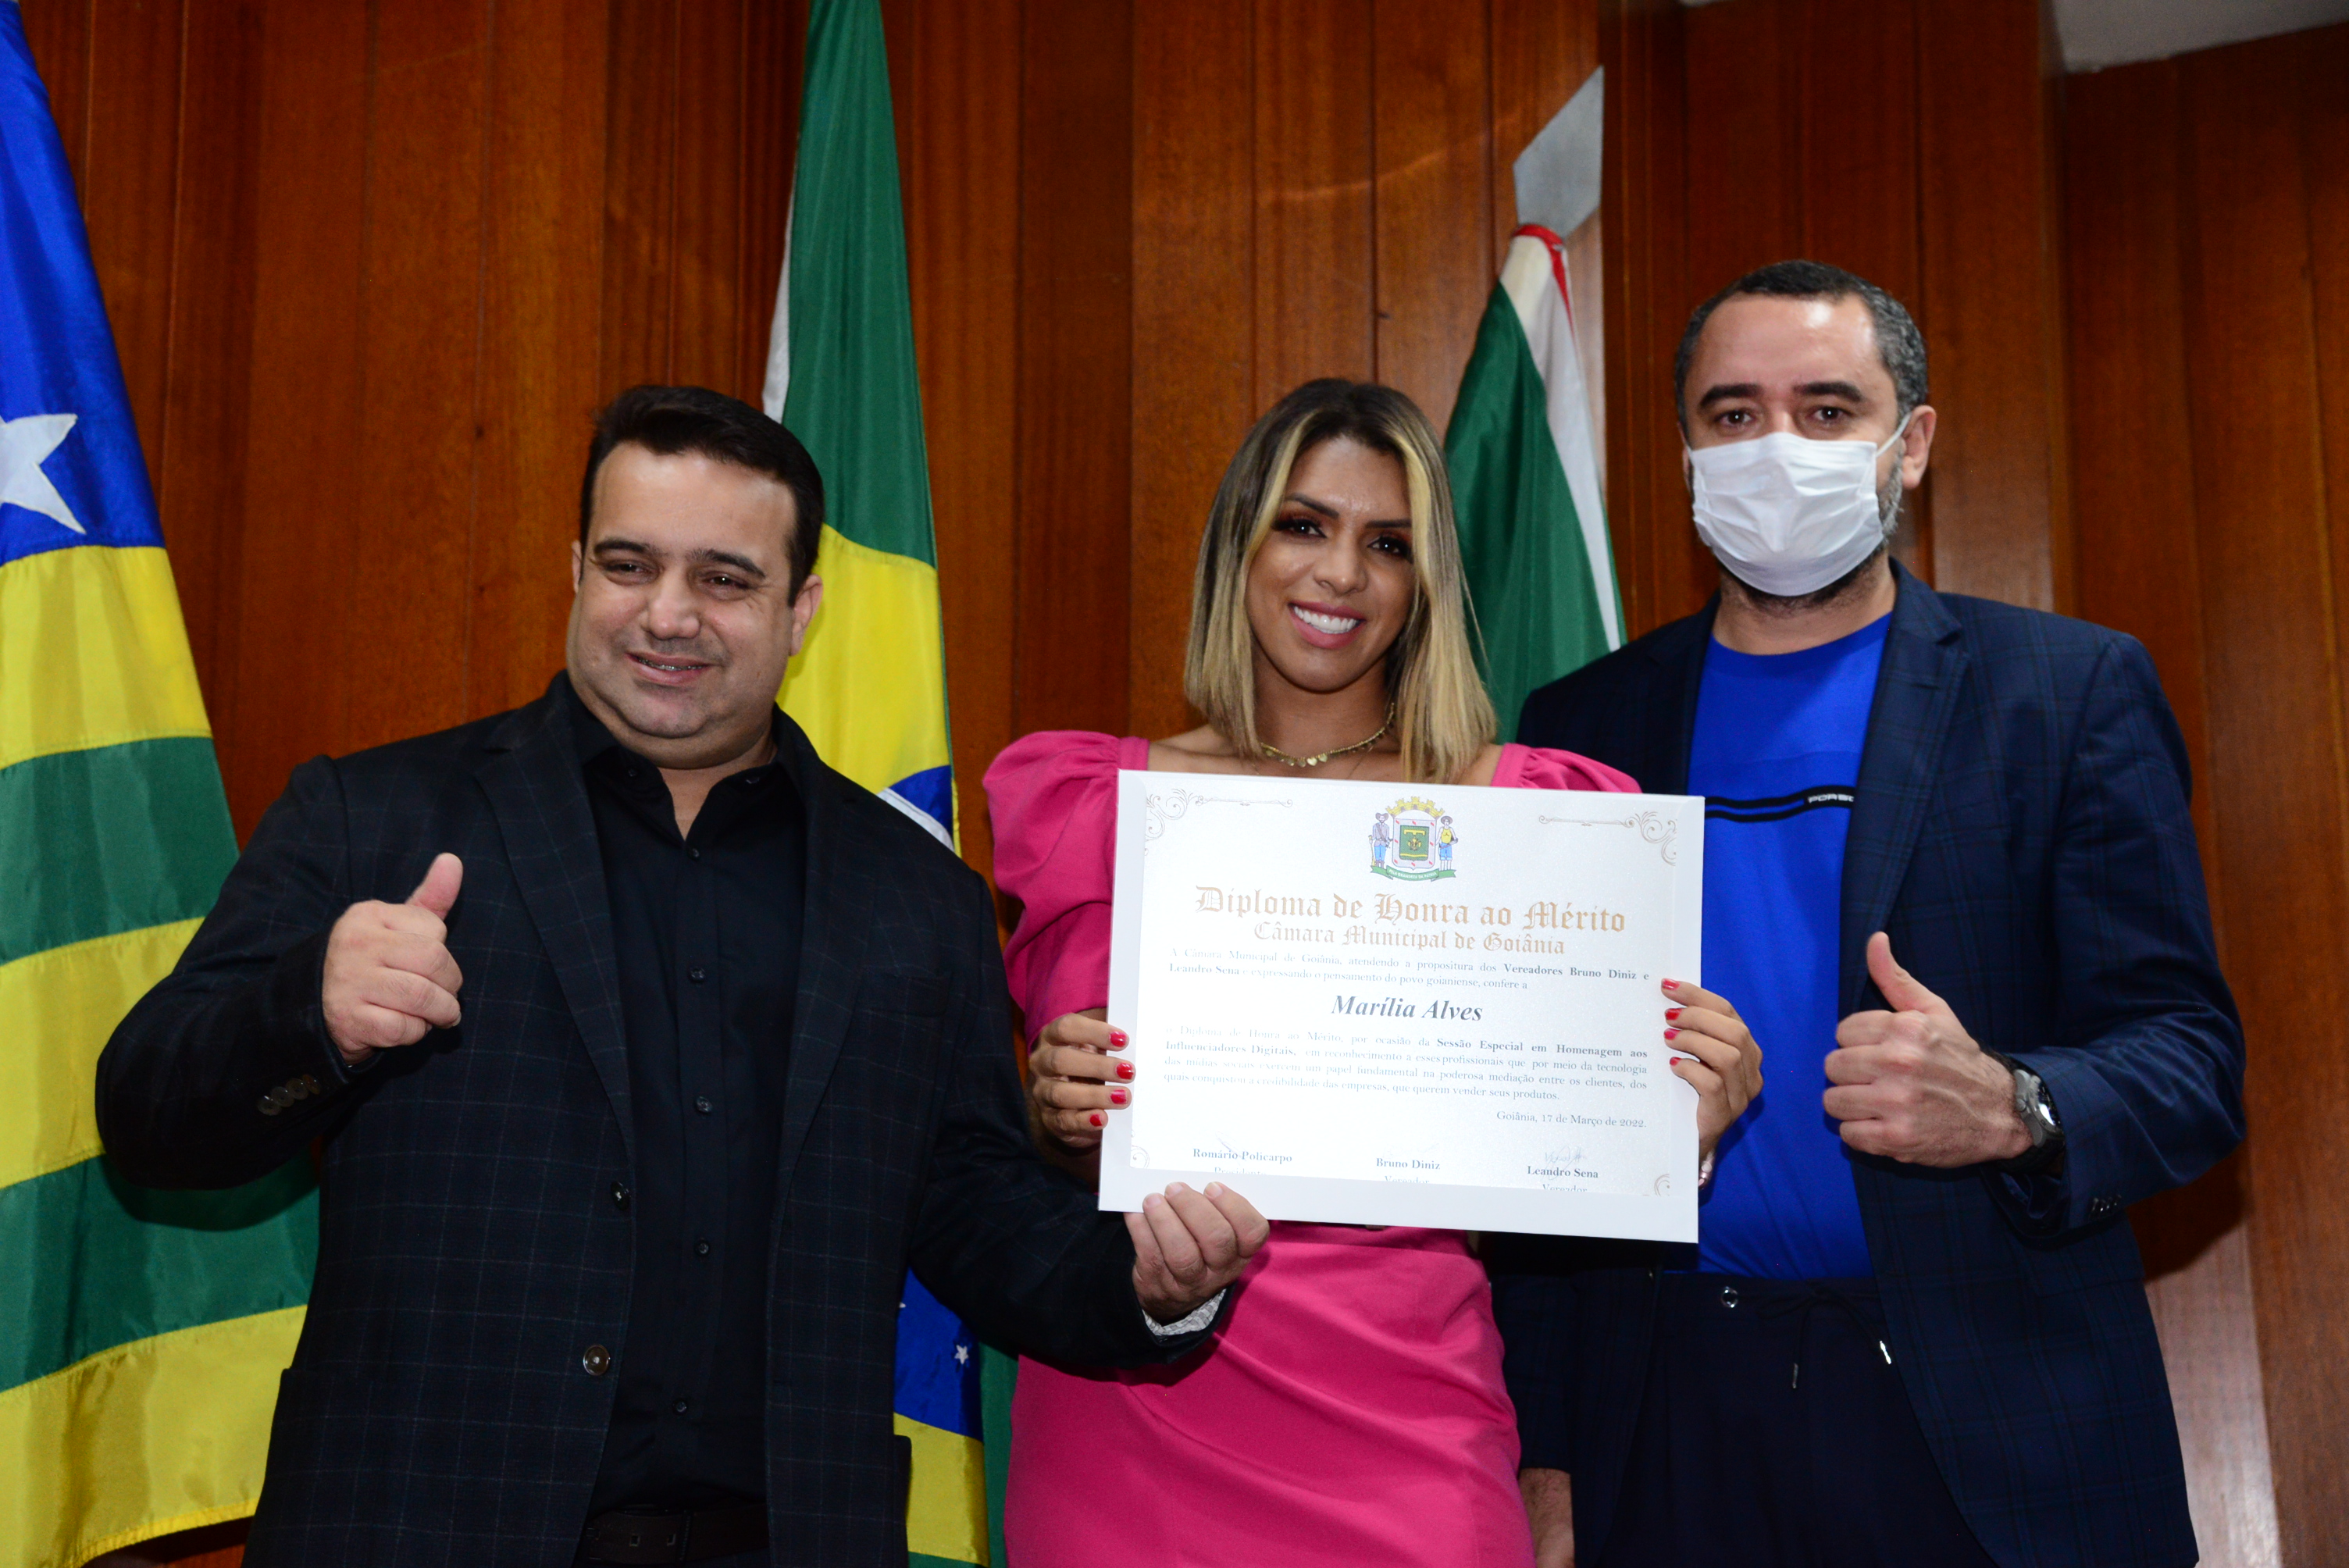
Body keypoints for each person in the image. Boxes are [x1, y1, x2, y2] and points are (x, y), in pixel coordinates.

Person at [94, 386, 1265, 1568]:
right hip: (415, 1530)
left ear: (801, 612)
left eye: (724, 578)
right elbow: (147, 1116)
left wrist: (1148, 1283)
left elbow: (973, 1205)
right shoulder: (372, 818)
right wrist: (311, 1013)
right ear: (576, 571)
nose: (667, 613)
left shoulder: (918, 895)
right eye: (629, 564)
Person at [1502, 261, 2244, 1568]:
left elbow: (2190, 1060)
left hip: (1991, 1415)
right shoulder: (1582, 724)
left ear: (1912, 445)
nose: (1776, 446)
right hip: (1667, 1415)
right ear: (1686, 451)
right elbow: (1530, 1119)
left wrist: (2015, 1105)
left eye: (1827, 409)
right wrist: (1548, 1455)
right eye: (1734, 414)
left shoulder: (2064, 691)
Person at [983, 380, 1765, 1568]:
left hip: (1412, 1408)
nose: (1341, 573)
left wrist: (1678, 1121)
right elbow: (1046, 1146)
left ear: (1426, 584)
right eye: (1303, 525)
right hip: (1134, 1405)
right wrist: (1057, 1107)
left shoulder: (1538, 814)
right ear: (1238, 547)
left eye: (1388, 544)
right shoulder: (1094, 806)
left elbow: (1585, 1166)